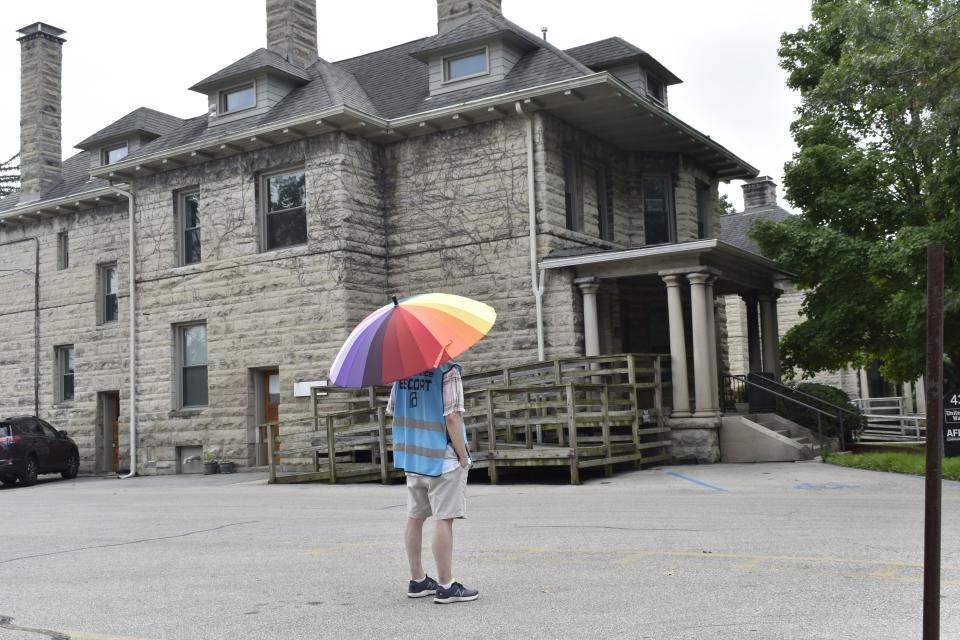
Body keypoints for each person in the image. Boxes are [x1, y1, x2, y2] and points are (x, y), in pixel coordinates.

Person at [387, 361, 479, 604]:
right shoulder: (448, 371)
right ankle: (446, 586)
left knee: (415, 518)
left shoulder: (402, 371)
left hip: (413, 456)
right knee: (444, 519)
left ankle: (417, 581)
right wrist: (463, 456)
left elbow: (395, 409)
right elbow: (452, 417)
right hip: (441, 457)